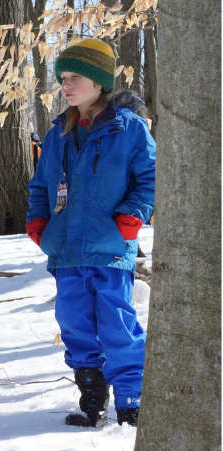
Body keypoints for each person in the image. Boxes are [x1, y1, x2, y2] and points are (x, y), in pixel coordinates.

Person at [25, 39, 155, 428]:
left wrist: (131, 219)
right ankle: (91, 398)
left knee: (116, 322)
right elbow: (39, 186)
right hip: (66, 249)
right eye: (63, 78)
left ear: (98, 82)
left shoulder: (128, 128)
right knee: (75, 323)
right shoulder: (57, 134)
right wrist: (38, 224)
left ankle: (131, 400)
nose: (66, 85)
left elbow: (149, 178)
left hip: (111, 246)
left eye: (74, 77)